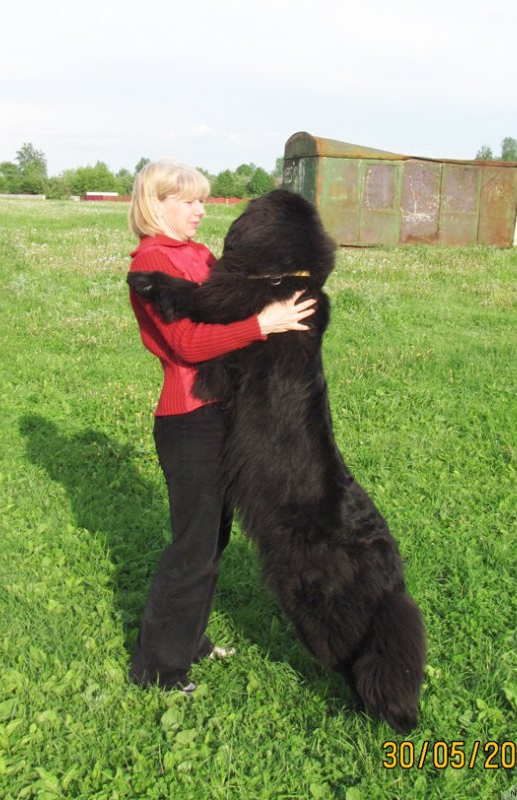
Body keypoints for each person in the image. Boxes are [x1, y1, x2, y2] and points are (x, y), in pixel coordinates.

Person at [127, 160, 316, 692]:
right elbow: (187, 343)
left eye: (202, 200)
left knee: (213, 542)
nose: (199, 210)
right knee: (191, 548)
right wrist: (264, 324)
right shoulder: (153, 261)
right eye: (187, 201)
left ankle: (190, 641)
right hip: (190, 420)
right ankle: (158, 670)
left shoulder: (197, 254)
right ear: (155, 204)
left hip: (221, 414)